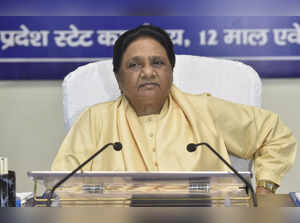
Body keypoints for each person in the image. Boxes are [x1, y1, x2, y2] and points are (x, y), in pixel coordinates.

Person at [51, 24, 297, 194]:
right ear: (118, 77)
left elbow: (273, 134)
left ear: (170, 71)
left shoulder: (203, 110)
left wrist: (265, 188)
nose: (148, 72)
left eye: (158, 62)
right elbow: (61, 185)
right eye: (135, 65)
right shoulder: (95, 120)